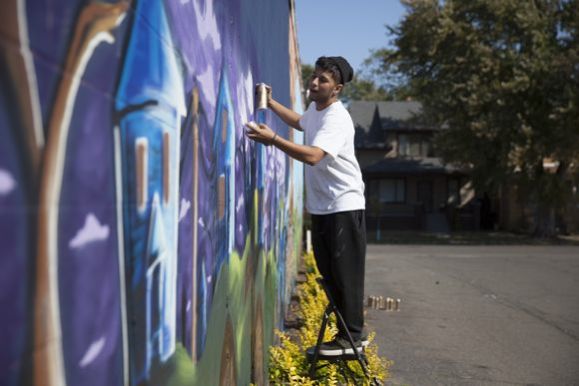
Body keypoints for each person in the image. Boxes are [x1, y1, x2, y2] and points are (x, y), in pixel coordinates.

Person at [245, 56, 367, 356]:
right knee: (329, 272)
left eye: (322, 80)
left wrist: (272, 139)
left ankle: (353, 335)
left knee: (345, 273)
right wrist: (271, 104)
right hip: (324, 206)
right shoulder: (315, 109)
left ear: (336, 89)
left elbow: (314, 156)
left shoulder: (337, 118)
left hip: (344, 204)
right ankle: (345, 334)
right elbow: (300, 122)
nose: (313, 83)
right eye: (314, 76)